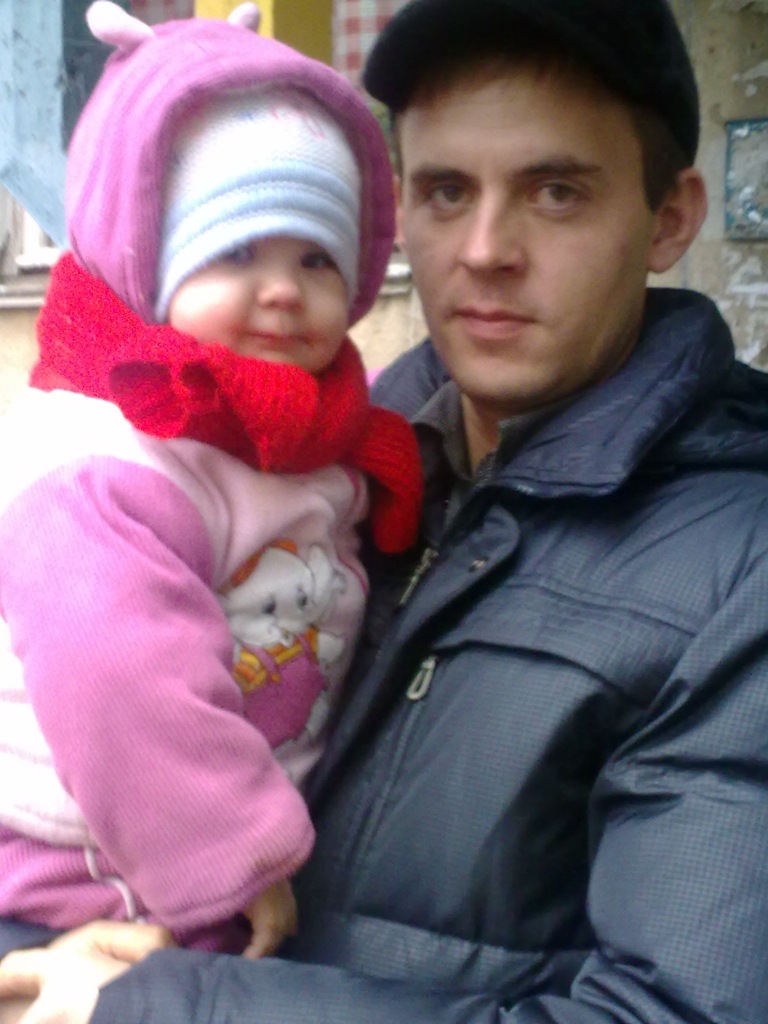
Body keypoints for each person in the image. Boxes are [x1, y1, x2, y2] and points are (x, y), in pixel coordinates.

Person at [4, 0, 768, 1021]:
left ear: (669, 217)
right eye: (446, 191)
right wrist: (39, 962)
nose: (485, 249)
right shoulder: (344, 451)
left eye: (555, 192)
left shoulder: (739, 570)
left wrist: (153, 1003)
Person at [0, 0, 422, 966]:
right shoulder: (114, 450)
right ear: (150, 263)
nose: (283, 289)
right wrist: (236, 852)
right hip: (89, 866)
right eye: (235, 251)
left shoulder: (302, 437)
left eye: (316, 258)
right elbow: (116, 668)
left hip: (200, 844)